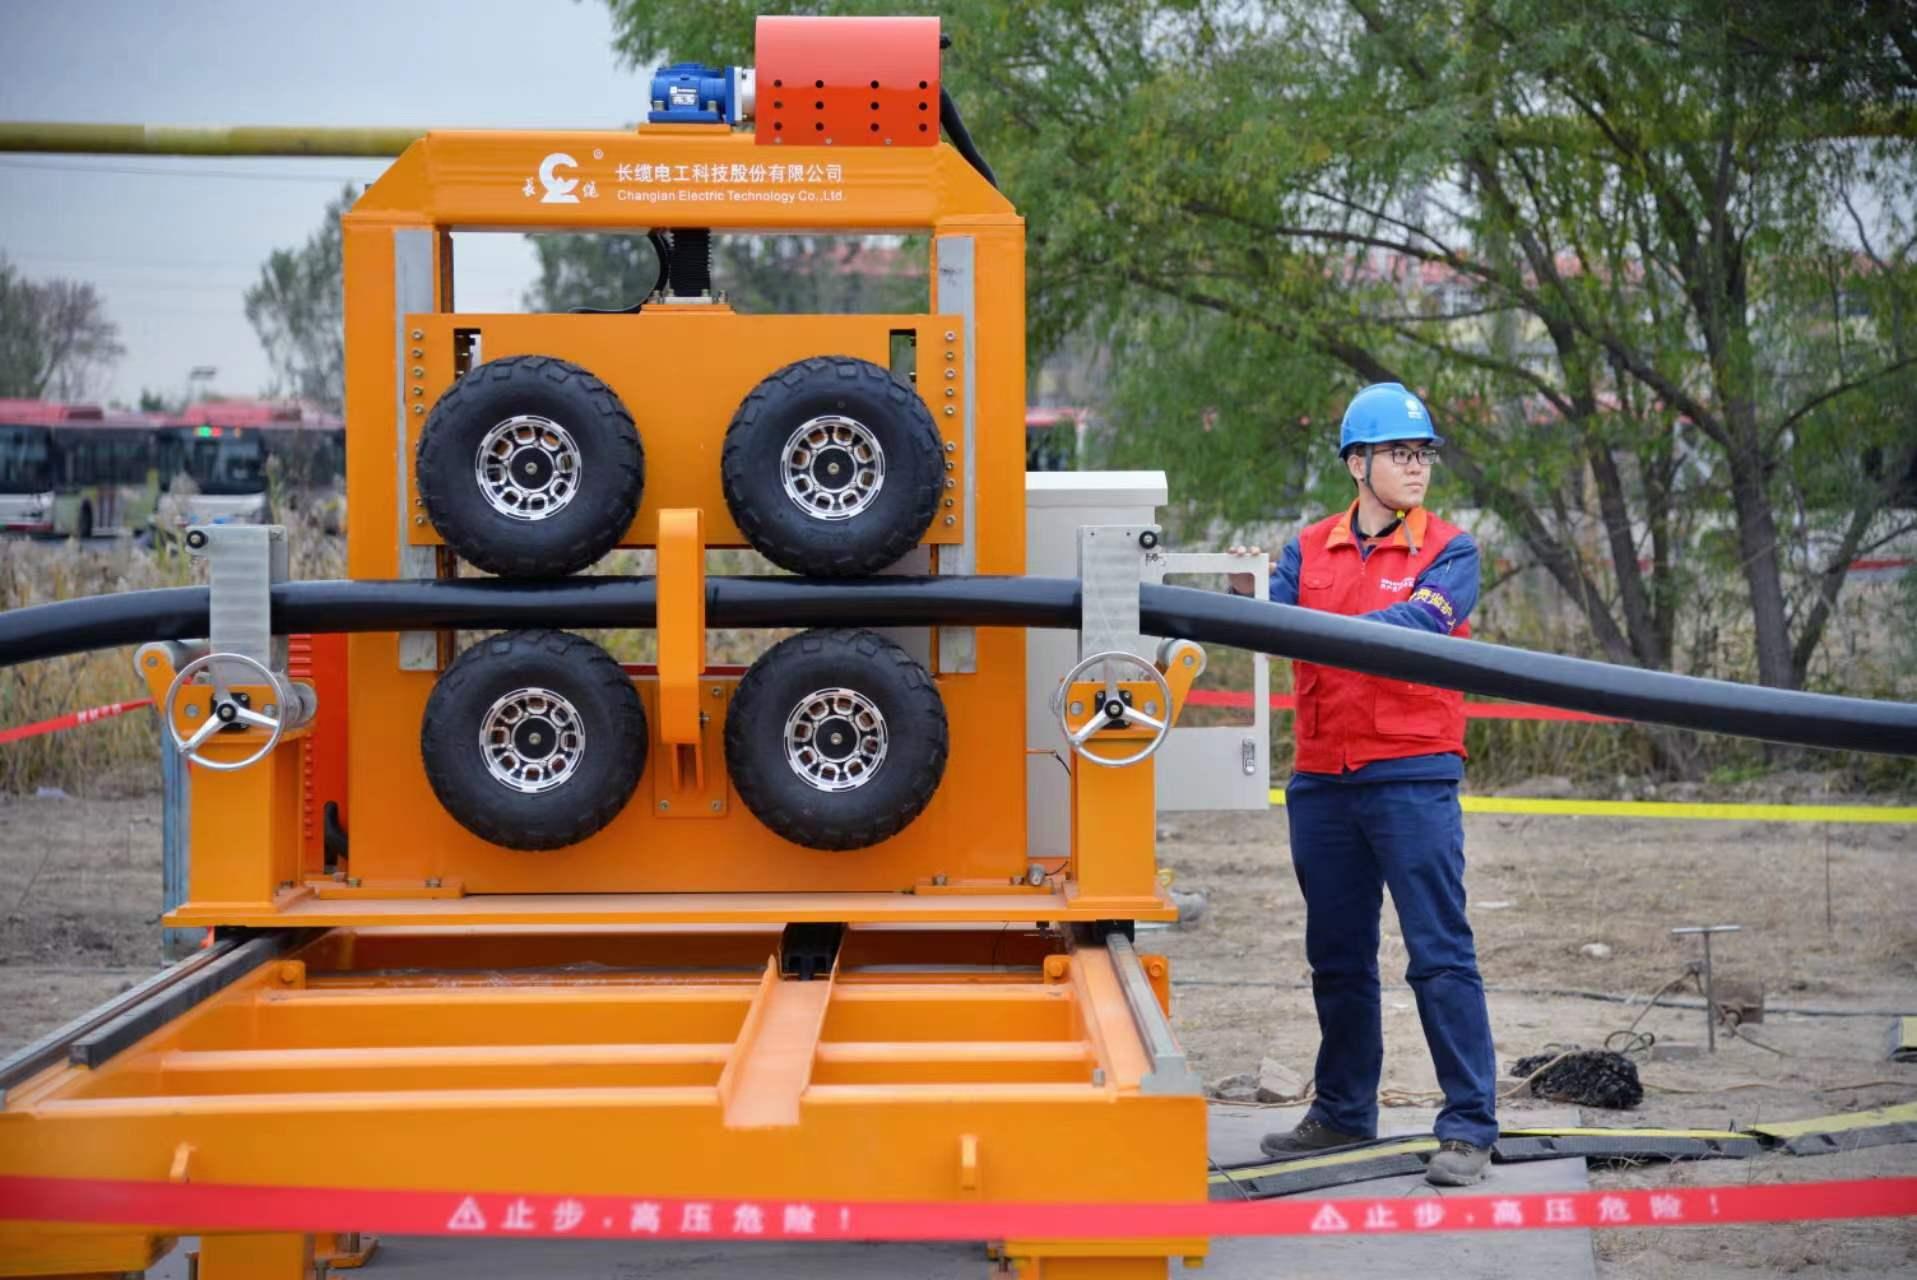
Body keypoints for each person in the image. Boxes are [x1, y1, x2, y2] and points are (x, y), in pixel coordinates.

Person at [1227, 382, 1497, 1187]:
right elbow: (1263, 631)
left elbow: (1418, 626)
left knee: (1438, 954)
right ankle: (1344, 1114)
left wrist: (1308, 627)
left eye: (1422, 455)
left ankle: (1468, 1127)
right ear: (1357, 463)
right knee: (1337, 957)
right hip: (1323, 780)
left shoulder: (1452, 550)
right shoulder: (1303, 550)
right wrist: (1242, 596)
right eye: (1400, 454)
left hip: (1410, 776)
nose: (1417, 468)